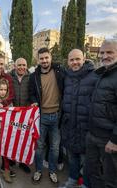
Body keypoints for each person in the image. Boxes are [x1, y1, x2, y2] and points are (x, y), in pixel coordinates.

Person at [59, 49, 98, 188]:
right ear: (68, 61)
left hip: (86, 127)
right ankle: (72, 180)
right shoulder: (67, 76)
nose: (75, 62)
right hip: (70, 125)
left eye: (77, 59)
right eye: (72, 60)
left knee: (87, 160)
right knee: (72, 156)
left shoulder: (94, 76)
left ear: (84, 59)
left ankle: (85, 185)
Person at [28, 47, 65, 184]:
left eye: (46, 58)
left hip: (57, 116)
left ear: (50, 58)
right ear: (38, 60)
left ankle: (52, 171)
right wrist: (33, 101)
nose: (44, 61)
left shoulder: (60, 72)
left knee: (55, 147)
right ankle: (38, 170)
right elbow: (31, 93)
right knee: (39, 146)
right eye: (41, 58)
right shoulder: (34, 76)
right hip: (41, 116)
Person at [86, 39, 117, 188]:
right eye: (102, 52)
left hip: (108, 138)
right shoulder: (101, 73)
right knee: (93, 172)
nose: (105, 56)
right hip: (93, 134)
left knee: (110, 179)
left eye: (110, 52)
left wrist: (115, 140)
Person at [10, 57, 31, 173]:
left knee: (24, 139)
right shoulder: (9, 76)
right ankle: (12, 159)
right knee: (13, 138)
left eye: (24, 65)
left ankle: (23, 162)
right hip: (13, 113)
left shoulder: (31, 77)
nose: (22, 67)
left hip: (26, 113)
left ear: (26, 66)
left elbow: (33, 93)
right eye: (19, 65)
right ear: (15, 66)